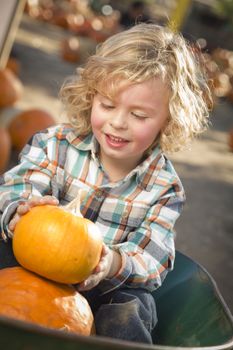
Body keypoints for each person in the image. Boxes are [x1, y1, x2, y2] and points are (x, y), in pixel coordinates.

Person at [0, 23, 212, 344]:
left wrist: (110, 262)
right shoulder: (54, 144)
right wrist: (20, 210)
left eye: (139, 115)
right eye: (108, 105)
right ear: (91, 96)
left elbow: (154, 256)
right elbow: (18, 186)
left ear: (169, 119)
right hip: (30, 267)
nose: (118, 122)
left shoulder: (164, 187)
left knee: (132, 307)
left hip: (104, 290)